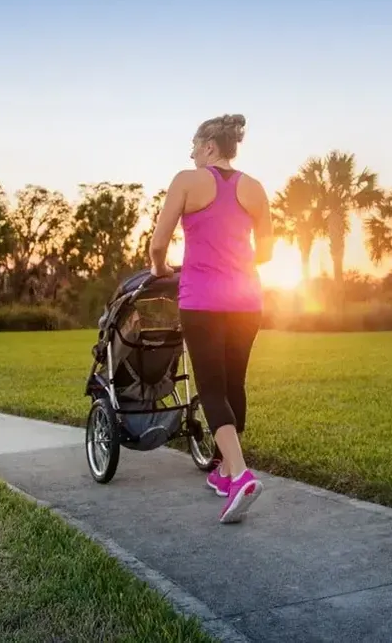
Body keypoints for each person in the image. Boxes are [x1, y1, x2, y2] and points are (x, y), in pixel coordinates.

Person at [148, 113, 273, 524]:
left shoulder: (186, 180)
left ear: (207, 146)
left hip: (202, 300)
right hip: (247, 301)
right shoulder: (254, 188)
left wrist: (159, 269)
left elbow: (158, 243)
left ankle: (239, 476)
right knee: (234, 382)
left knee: (212, 387)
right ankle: (222, 469)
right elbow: (267, 252)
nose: (191, 153)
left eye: (193, 146)